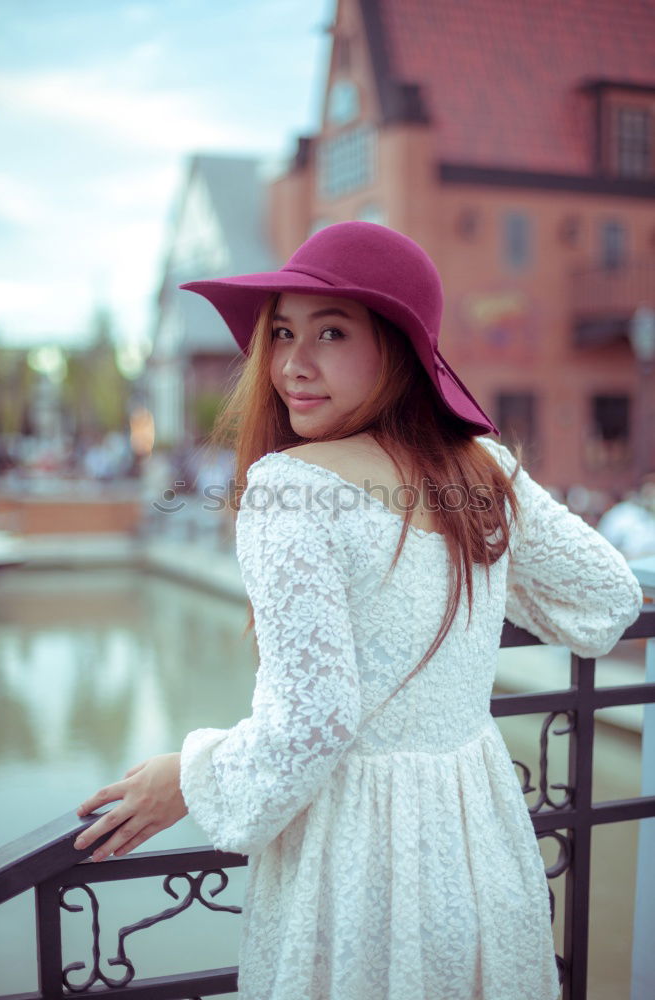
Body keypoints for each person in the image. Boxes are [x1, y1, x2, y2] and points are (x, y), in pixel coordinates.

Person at [74, 221, 643, 1000]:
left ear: (399, 349)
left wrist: (192, 776)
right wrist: (471, 568)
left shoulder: (291, 489)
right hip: (477, 846)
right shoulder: (481, 472)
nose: (291, 366)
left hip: (358, 868)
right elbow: (606, 598)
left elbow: (316, 720)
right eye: (281, 333)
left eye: (331, 333)